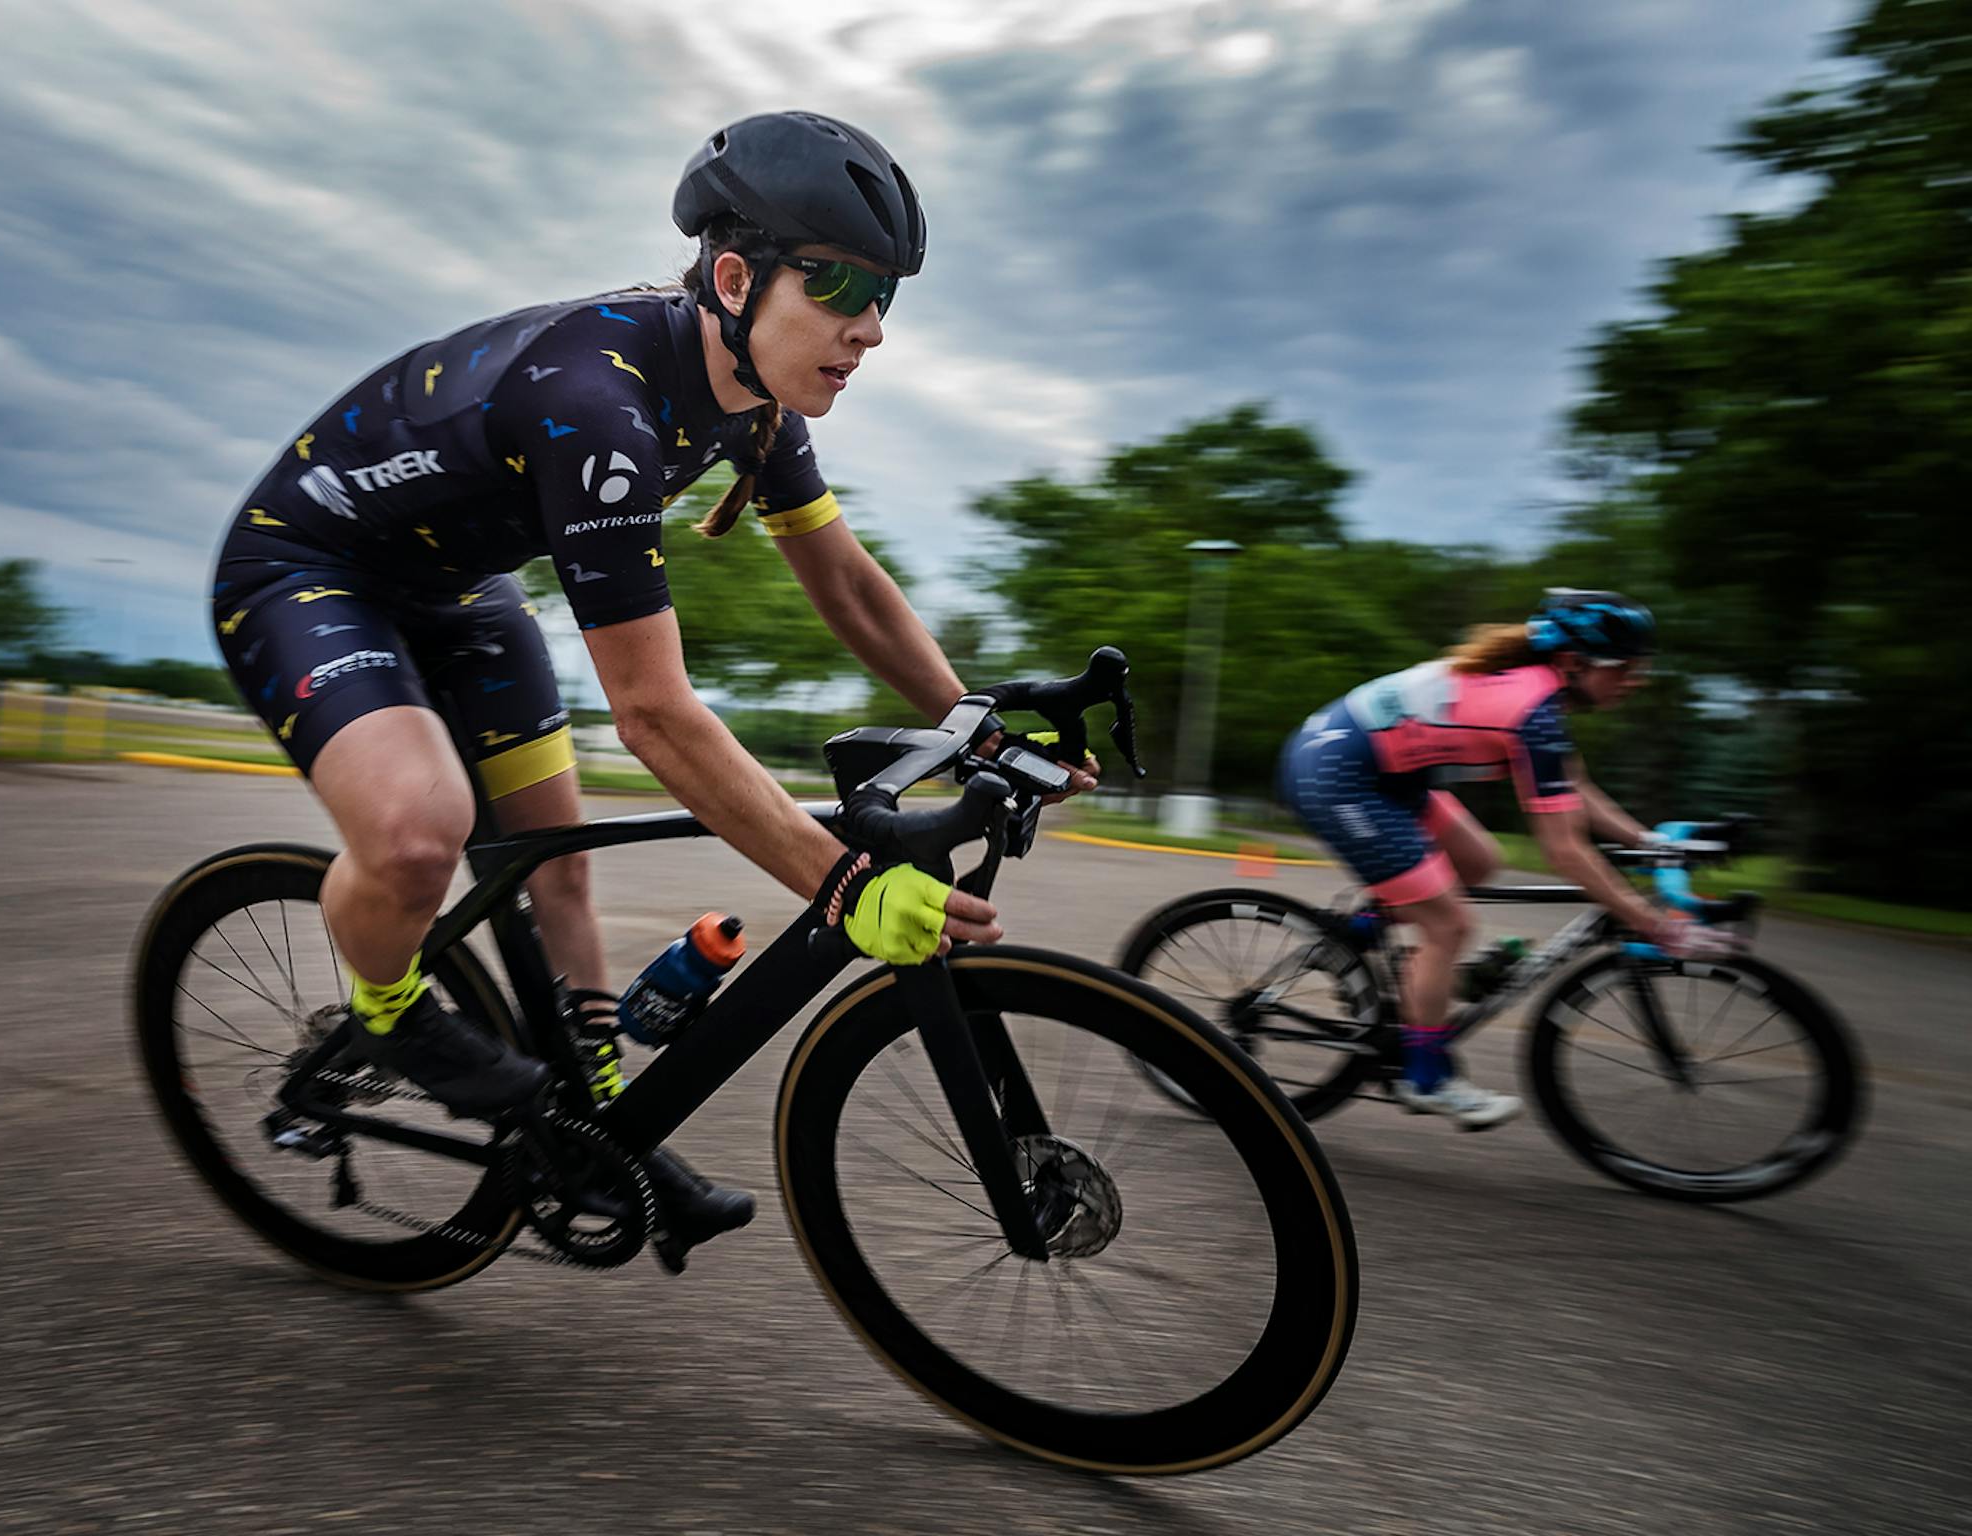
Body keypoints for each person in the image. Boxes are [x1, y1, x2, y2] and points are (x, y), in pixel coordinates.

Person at [208, 112, 1099, 1255]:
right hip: (309, 569)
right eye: (837, 287)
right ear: (736, 278)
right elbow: (653, 714)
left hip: (461, 595)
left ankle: (593, 1134)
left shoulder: (757, 400)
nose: (869, 329)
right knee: (424, 832)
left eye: (885, 298)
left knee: (560, 871)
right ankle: (388, 1018)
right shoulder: (599, 402)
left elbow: (845, 583)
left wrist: (968, 722)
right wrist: (841, 884)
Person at [1278, 590, 1685, 1130]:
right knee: (1449, 924)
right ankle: (1425, 1078)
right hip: (1337, 776)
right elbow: (1563, 849)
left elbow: (1576, 788)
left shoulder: (1543, 697)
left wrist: (1650, 844)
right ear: (1574, 663)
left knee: (1477, 863)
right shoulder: (1533, 711)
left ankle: (1368, 938)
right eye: (1627, 668)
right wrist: (1644, 918)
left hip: (1385, 775)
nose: (1636, 680)